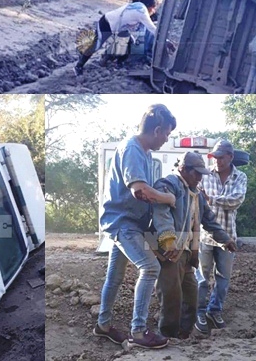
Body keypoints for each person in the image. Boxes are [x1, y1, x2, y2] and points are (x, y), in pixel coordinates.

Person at [94, 104, 177, 350]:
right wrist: (169, 199)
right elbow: (140, 191)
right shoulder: (132, 149)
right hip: (123, 224)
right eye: (167, 134)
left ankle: (103, 325)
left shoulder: (145, 152)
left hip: (126, 222)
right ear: (157, 130)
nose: (166, 139)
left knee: (115, 276)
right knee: (150, 268)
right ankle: (138, 332)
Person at [151, 152, 236, 339]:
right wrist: (168, 241)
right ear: (183, 169)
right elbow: (162, 214)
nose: (199, 178)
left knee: (191, 296)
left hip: (186, 252)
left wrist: (225, 239)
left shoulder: (195, 193)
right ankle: (168, 337)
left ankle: (183, 335)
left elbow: (209, 220)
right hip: (168, 251)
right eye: (196, 173)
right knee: (171, 297)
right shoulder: (168, 184)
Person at [195, 139, 247, 334]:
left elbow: (236, 200)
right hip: (205, 236)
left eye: (220, 157)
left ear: (230, 157)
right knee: (201, 277)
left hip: (228, 236)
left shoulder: (240, 177)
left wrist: (210, 199)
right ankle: (199, 311)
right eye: (214, 157)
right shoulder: (204, 174)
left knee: (223, 278)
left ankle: (214, 310)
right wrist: (205, 200)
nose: (216, 160)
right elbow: (197, 198)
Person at [74, 0, 158, 76]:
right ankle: (79, 66)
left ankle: (118, 63)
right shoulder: (142, 12)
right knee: (96, 46)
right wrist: (166, 41)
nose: (154, 11)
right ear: (149, 6)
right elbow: (152, 29)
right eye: (154, 8)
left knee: (130, 43)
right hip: (106, 23)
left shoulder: (138, 5)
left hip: (118, 28)